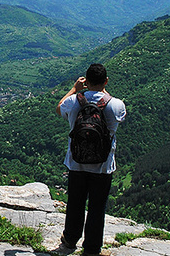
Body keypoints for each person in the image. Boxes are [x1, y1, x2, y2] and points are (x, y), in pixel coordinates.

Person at [55, 63, 126, 255]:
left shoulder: (74, 101)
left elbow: (59, 108)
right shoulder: (116, 104)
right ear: (106, 81)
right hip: (102, 166)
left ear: (86, 80)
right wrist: (103, 90)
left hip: (76, 162)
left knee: (75, 202)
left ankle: (70, 240)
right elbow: (117, 119)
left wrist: (74, 89)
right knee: (97, 207)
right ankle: (92, 248)